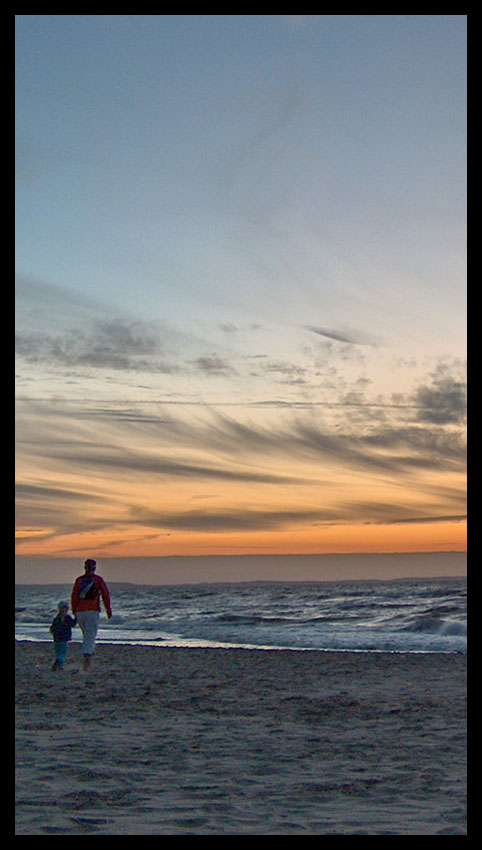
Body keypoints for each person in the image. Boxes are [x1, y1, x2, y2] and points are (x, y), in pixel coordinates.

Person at [71, 558, 112, 670]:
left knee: (87, 635)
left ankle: (89, 655)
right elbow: (105, 595)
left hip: (80, 612)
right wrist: (108, 609)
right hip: (92, 611)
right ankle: (87, 661)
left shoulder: (79, 580)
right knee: (90, 636)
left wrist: (74, 610)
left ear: (85, 567)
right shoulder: (98, 580)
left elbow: (74, 597)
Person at [50, 601, 77, 671]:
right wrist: (77, 617)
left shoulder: (57, 618)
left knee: (58, 652)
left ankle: (59, 664)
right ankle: (59, 664)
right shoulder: (67, 617)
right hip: (64, 638)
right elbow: (72, 624)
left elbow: (52, 628)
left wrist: (53, 633)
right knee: (63, 653)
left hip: (56, 638)